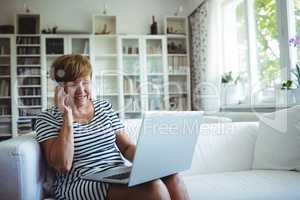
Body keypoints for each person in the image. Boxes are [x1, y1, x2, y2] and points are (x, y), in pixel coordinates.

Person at [35, 54, 190, 200]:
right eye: (74, 84)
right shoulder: (47, 118)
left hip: (115, 174)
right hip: (78, 181)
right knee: (153, 188)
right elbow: (63, 165)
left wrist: (150, 161)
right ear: (61, 87)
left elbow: (127, 147)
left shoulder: (104, 107)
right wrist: (67, 117)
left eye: (85, 82)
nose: (81, 90)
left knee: (173, 177)